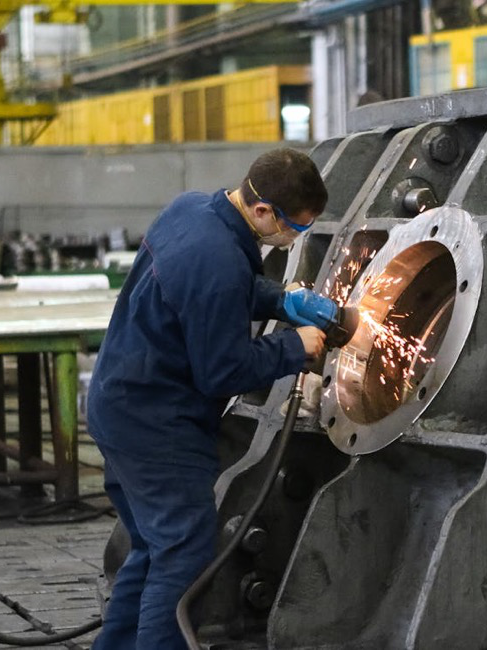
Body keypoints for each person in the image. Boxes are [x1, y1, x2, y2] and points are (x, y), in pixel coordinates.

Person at [87, 147, 328, 649]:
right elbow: (222, 370)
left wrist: (283, 300)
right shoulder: (215, 258)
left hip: (119, 403)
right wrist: (292, 346)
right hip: (156, 426)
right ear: (264, 212)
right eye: (294, 228)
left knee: (152, 548)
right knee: (182, 555)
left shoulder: (192, 209)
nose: (293, 237)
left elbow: (217, 288)